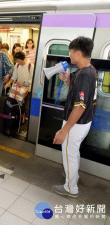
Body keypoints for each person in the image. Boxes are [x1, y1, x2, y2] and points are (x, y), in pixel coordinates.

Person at [52, 37, 97, 198]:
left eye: (71, 52)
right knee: (73, 151)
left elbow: (80, 106)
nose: (69, 55)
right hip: (83, 122)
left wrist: (64, 130)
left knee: (68, 152)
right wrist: (69, 80)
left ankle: (71, 188)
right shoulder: (88, 69)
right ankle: (73, 177)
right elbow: (81, 94)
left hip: (77, 123)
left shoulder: (85, 74)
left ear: (78, 53)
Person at [7, 51, 34, 120]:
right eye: (16, 60)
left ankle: (25, 120)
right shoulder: (17, 65)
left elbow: (33, 78)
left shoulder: (30, 65)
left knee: (26, 105)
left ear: (22, 58)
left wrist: (25, 83)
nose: (17, 62)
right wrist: (10, 82)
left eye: (18, 60)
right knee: (18, 105)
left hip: (27, 90)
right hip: (18, 89)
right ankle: (18, 118)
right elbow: (14, 75)